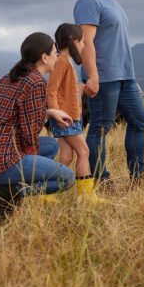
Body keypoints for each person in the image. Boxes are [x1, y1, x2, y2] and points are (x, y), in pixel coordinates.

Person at [0, 32, 76, 219]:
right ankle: (7, 195)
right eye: (55, 52)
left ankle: (8, 190)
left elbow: (15, 112)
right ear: (44, 57)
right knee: (66, 178)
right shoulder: (36, 82)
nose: (57, 56)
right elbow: (29, 133)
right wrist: (32, 163)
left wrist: (50, 112)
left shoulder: (9, 77)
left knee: (51, 145)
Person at [74, 0, 144, 185]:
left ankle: (138, 177)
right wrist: (93, 75)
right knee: (101, 128)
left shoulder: (114, 4)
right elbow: (85, 43)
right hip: (104, 77)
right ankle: (101, 181)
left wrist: (132, 79)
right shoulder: (89, 1)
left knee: (139, 120)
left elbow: (119, 45)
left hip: (124, 77)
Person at [46, 23, 105, 203]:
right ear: (74, 41)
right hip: (66, 118)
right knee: (84, 151)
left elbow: (63, 90)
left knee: (66, 156)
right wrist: (57, 113)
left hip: (68, 116)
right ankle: (86, 195)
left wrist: (78, 89)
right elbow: (51, 90)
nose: (83, 46)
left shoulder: (66, 61)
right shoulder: (63, 61)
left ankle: (46, 193)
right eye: (82, 42)